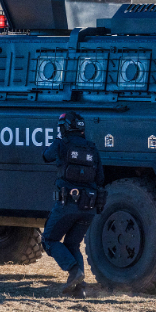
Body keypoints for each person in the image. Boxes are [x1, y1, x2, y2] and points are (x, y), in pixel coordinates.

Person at [42, 112, 105, 298]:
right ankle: (80, 288)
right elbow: (100, 177)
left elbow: (46, 156)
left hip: (67, 204)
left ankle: (73, 270)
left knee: (49, 240)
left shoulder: (62, 143)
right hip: (89, 207)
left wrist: (57, 140)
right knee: (72, 244)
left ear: (65, 128)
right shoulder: (92, 148)